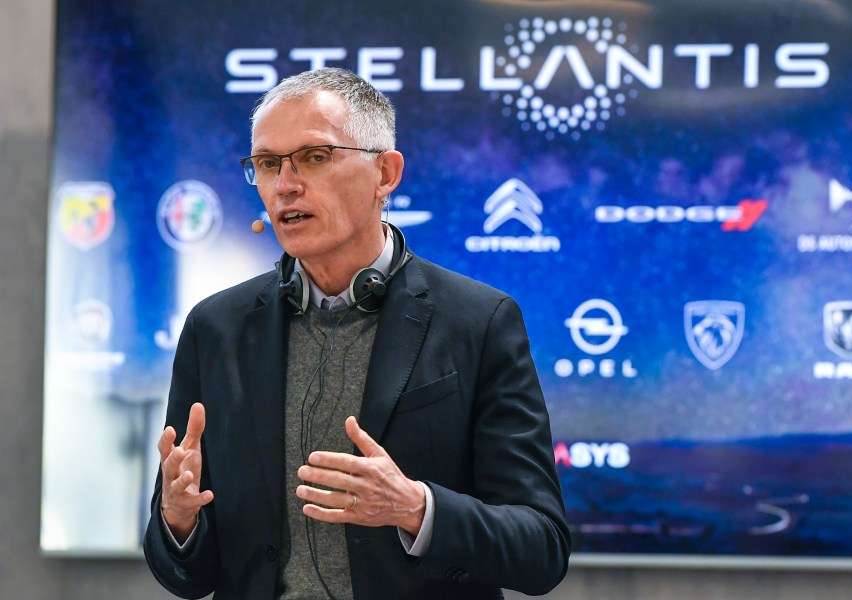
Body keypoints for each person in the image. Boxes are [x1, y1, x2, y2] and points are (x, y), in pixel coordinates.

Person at [143, 67, 570, 600]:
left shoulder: (478, 321)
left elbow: (542, 549)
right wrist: (178, 521)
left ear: (385, 174)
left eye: (315, 157)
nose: (286, 184)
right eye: (268, 164)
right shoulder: (217, 328)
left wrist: (417, 509)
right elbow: (185, 575)